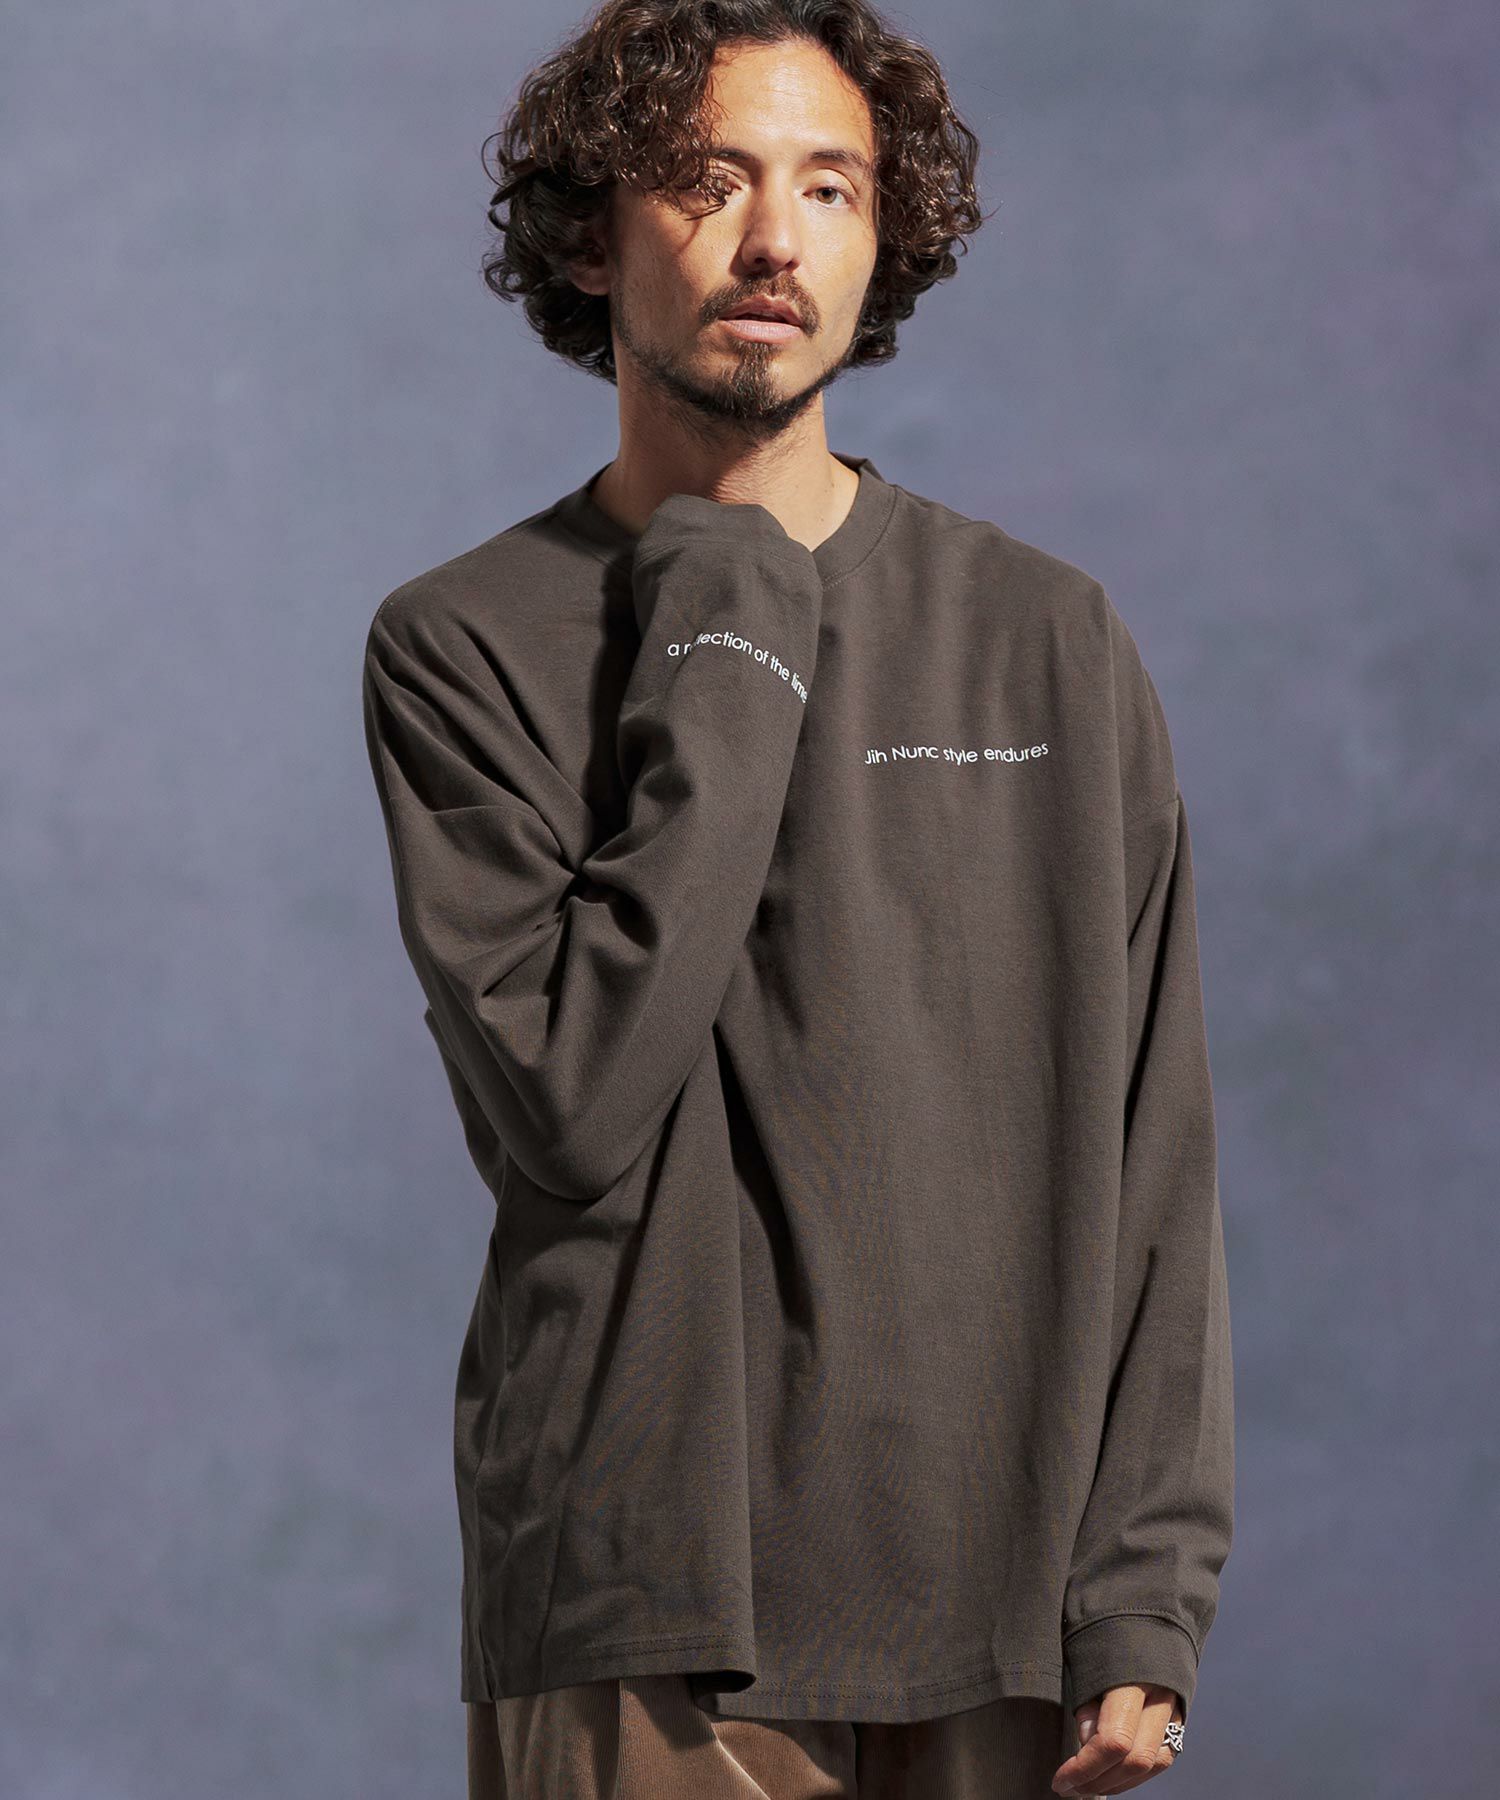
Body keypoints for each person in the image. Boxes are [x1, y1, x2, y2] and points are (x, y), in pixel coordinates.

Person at [359, 2, 1235, 1794]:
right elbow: (577, 1100)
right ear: (591, 240)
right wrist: (732, 597)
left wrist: (1144, 1593)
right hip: (649, 1601)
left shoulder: (1047, 641)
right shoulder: (464, 644)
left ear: (880, 241)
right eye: (709, 181)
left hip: (998, 1595)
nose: (776, 238)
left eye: (831, 188)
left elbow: (1155, 1144)